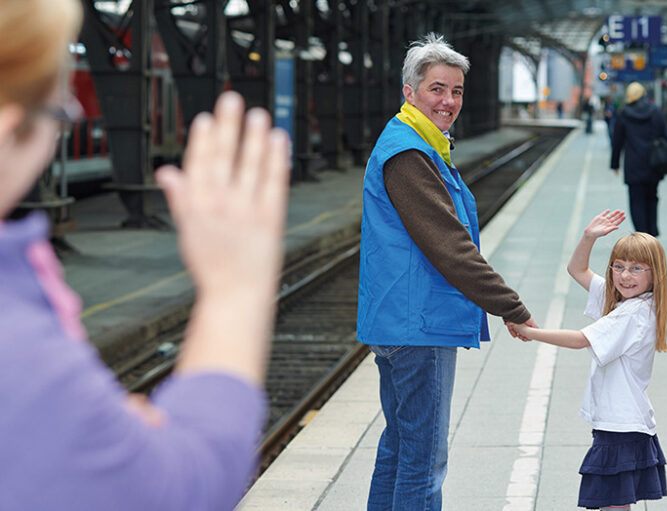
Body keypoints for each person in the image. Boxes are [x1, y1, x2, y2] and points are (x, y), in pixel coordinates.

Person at [0, 1, 290, 509]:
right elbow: (178, 492)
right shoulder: (18, 348)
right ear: (7, 126)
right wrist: (235, 289)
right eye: (59, 110)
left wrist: (83, 425)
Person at [358, 33, 537, 510]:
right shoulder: (410, 154)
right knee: (423, 460)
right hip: (419, 324)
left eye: (456, 91)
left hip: (400, 317)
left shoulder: (419, 144)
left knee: (399, 448)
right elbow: (451, 247)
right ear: (409, 92)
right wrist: (510, 307)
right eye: (437, 89)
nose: (449, 101)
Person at [508, 210, 667, 511]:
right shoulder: (627, 301)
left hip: (621, 424)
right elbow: (577, 270)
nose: (625, 275)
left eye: (636, 268)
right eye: (618, 267)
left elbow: (581, 339)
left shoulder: (631, 314)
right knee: (615, 504)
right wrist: (588, 237)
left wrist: (530, 331)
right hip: (623, 422)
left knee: (612, 505)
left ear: (654, 274)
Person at [611, 82, 667, 237]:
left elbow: (617, 141)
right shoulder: (656, 111)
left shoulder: (624, 113)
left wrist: (615, 164)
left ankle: (641, 234)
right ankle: (652, 232)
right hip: (654, 163)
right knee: (652, 197)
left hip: (633, 165)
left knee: (636, 201)